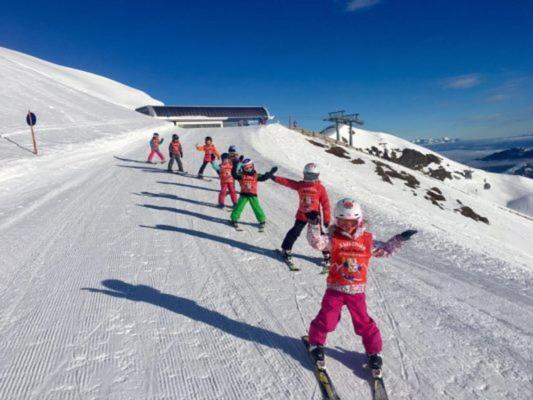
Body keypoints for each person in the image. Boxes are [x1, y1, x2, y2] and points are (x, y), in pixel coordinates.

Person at [305, 198, 414, 376]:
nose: (347, 226)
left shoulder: (367, 240)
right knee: (327, 320)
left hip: (357, 292)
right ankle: (316, 342)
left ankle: (374, 352)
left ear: (360, 220)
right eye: (342, 222)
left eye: (351, 222)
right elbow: (317, 243)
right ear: (336, 220)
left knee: (364, 323)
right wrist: (314, 224)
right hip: (335, 290)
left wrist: (400, 239)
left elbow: (385, 249)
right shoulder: (333, 238)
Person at [272, 163, 331, 268]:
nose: (309, 178)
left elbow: (325, 204)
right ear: (304, 174)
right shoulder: (300, 185)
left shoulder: (320, 188)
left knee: (320, 235)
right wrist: (274, 178)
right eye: (307, 175)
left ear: (317, 176)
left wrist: (327, 219)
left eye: (312, 176)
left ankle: (327, 254)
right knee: (295, 232)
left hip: (314, 216)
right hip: (302, 214)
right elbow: (287, 182)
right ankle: (286, 249)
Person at [230, 158, 277, 230]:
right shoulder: (241, 175)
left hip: (253, 195)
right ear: (243, 168)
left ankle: (262, 220)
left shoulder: (256, 175)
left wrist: (271, 172)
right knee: (239, 207)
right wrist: (235, 165)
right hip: (244, 195)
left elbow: (264, 177)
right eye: (246, 167)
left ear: (253, 166)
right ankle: (234, 219)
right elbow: (234, 175)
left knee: (256, 208)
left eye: (250, 167)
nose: (248, 169)